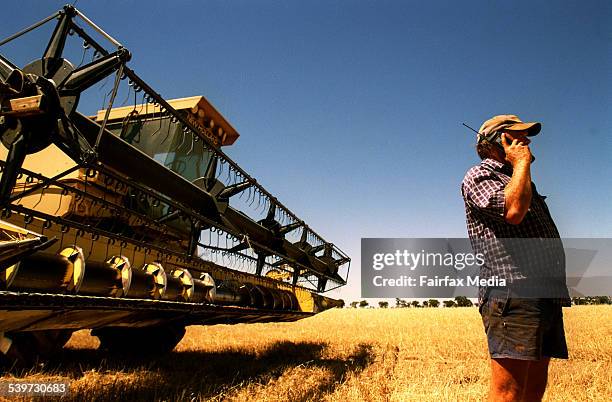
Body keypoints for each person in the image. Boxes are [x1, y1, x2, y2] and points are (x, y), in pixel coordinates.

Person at [461, 115, 570, 402]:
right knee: (509, 391)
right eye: (517, 136)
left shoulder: (517, 180)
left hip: (542, 292)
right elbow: (513, 211)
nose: (527, 142)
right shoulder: (480, 175)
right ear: (499, 141)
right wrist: (521, 162)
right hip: (513, 291)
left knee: (534, 387)